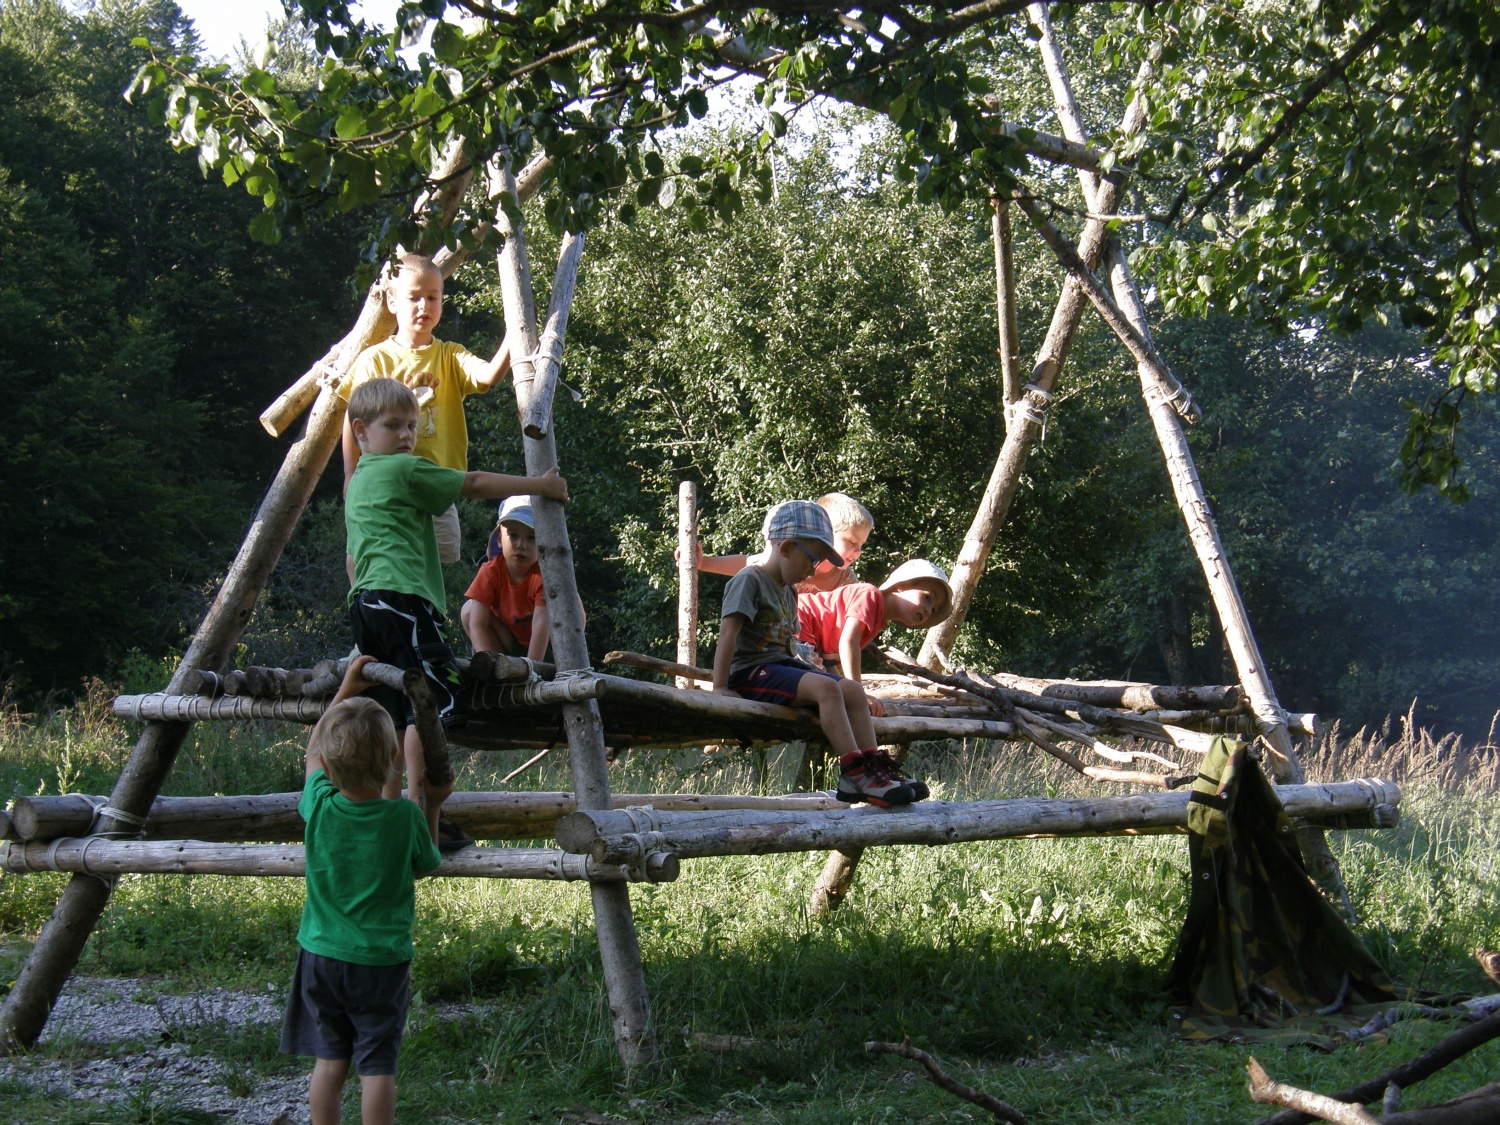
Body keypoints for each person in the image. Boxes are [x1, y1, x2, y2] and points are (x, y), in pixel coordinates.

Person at [344, 377, 568, 848]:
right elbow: (472, 483)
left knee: (392, 708)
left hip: (366, 604)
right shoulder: (402, 470)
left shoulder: (358, 481)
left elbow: (352, 555)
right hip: (402, 600)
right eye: (394, 426)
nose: (406, 436)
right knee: (427, 703)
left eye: (411, 426)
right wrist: (540, 486)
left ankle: (391, 811)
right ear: (361, 431)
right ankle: (422, 817)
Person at [279, 655, 442, 1125]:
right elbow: (427, 862)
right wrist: (430, 802)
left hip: (322, 957)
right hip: (382, 962)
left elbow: (312, 752)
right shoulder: (403, 817)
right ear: (392, 757)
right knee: (377, 1066)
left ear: (329, 764)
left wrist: (346, 687)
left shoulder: (321, 806)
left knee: (330, 1062)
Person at [711, 500, 927, 807]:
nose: (813, 570)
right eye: (812, 559)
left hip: (782, 667)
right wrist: (721, 686)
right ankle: (854, 773)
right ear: (786, 547)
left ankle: (875, 767)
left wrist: (815, 667)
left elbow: (792, 645)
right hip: (751, 672)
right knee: (827, 687)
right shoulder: (750, 579)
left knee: (850, 688)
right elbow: (728, 634)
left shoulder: (789, 590)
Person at [339, 252, 513, 576]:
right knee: (374, 559)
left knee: (436, 564)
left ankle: (427, 617)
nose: (424, 306)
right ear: (392, 303)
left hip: (435, 485)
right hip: (386, 485)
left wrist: (513, 336)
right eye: (414, 298)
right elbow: (353, 418)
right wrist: (351, 474)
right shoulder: (376, 360)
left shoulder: (450, 355)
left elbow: (488, 376)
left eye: (432, 298)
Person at [798, 560, 954, 683]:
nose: (928, 610)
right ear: (902, 585)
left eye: (933, 609)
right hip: (798, 620)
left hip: (808, 638)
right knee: (818, 686)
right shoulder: (870, 595)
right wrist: (856, 691)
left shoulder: (878, 622)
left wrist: (845, 686)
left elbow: (827, 660)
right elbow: (848, 643)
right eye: (927, 598)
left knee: (829, 687)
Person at [460, 495, 575, 662]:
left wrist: (531, 670)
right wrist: (485, 662)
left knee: (569, 596)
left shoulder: (545, 575)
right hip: (512, 641)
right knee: (468, 610)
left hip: (552, 647)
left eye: (532, 537)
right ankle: (495, 666)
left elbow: (540, 626)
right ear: (500, 539)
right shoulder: (491, 571)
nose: (521, 545)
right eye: (513, 535)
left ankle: (534, 670)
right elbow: (477, 625)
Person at [692, 492, 873, 594]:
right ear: (825, 533)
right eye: (851, 542)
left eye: (862, 545)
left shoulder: (846, 579)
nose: (858, 551)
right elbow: (747, 563)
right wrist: (704, 562)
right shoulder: (792, 558)